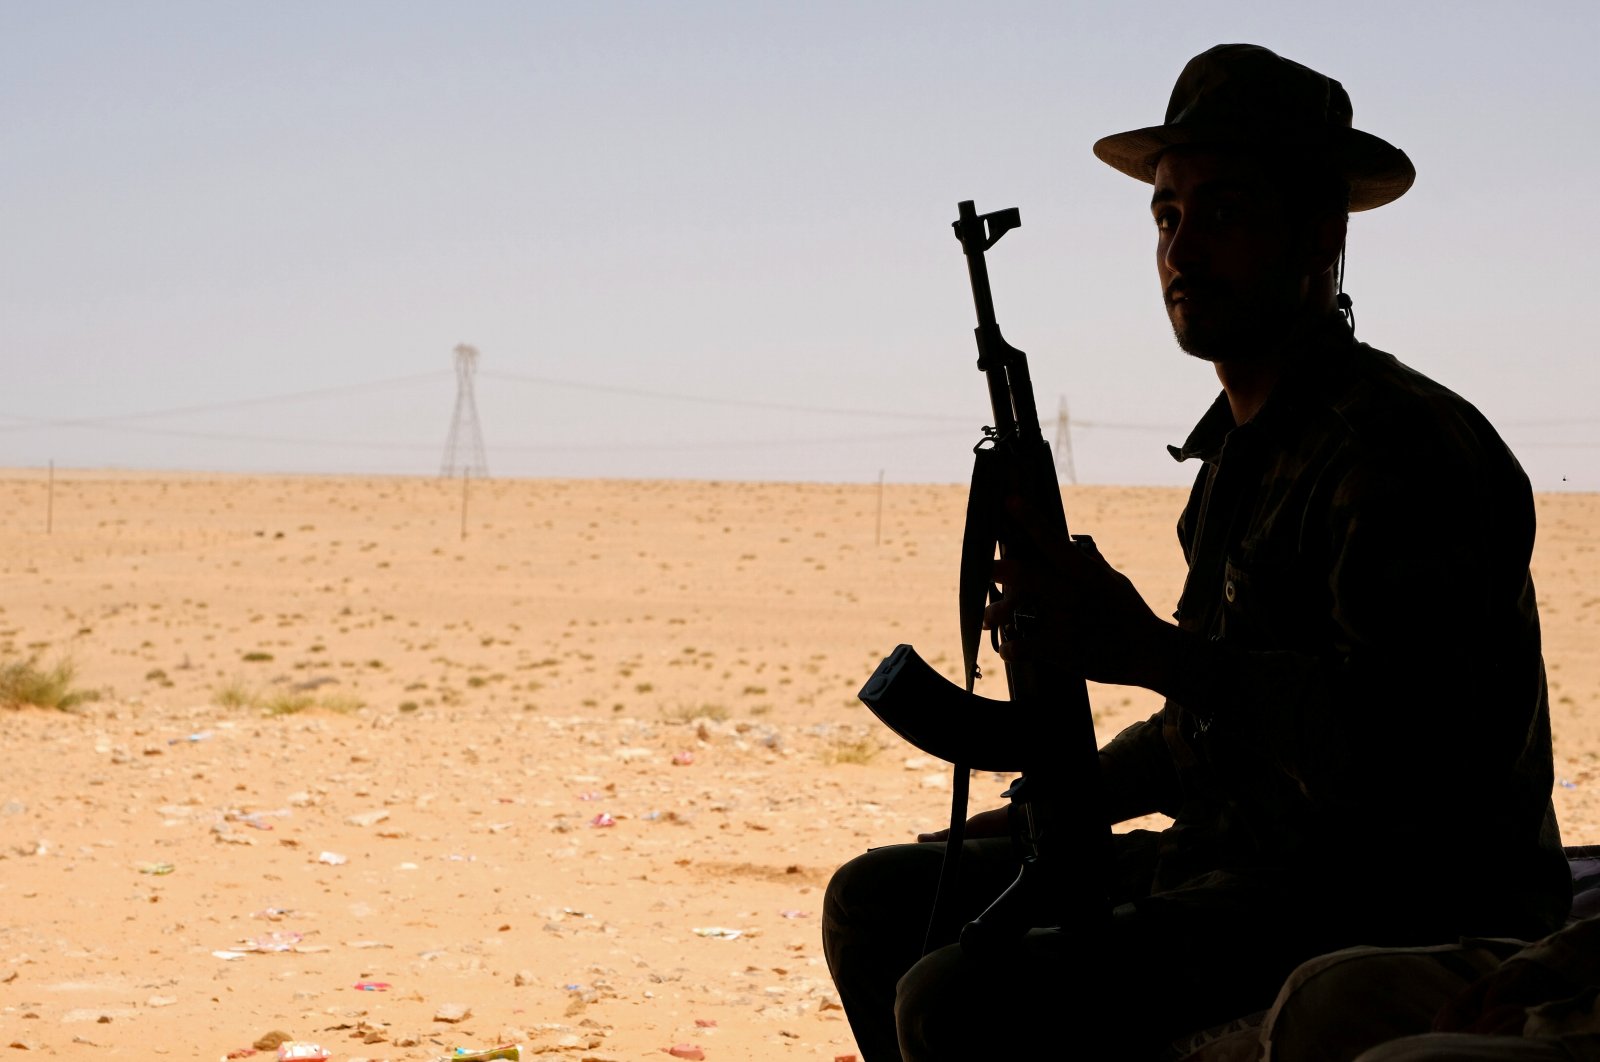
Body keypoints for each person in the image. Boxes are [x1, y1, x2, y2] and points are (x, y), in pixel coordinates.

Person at [822, 43, 1570, 1061]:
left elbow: (1412, 763)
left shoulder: (1398, 450)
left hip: (1386, 900)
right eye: (1167, 218)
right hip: (1239, 864)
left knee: (954, 1001)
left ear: (1317, 236)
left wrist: (1148, 652)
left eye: (1221, 212)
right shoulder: (1239, 455)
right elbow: (1213, 734)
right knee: (873, 902)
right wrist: (1072, 792)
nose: (1181, 250)